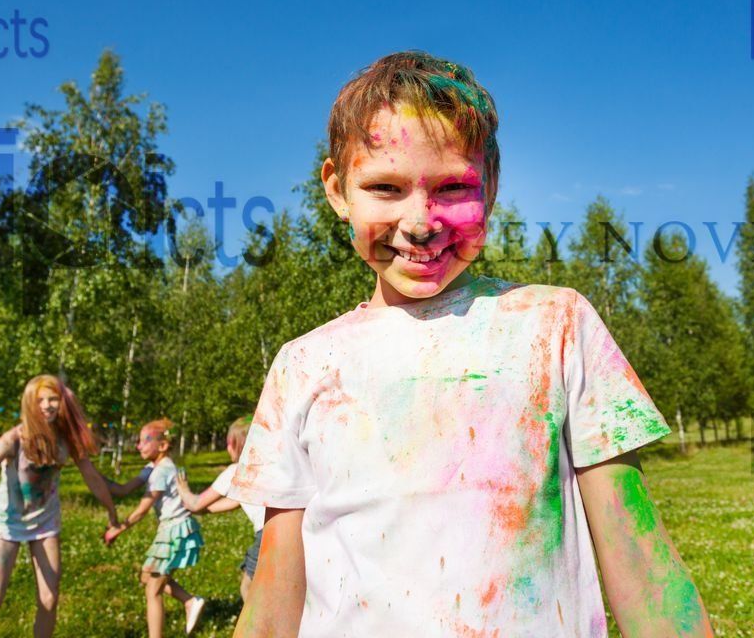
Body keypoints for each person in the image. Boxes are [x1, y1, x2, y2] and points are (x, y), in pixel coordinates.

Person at [226, 51, 715, 637]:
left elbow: (642, 562)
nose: (420, 222)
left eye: (453, 187)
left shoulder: (556, 325)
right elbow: (273, 598)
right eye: (385, 187)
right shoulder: (302, 365)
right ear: (337, 190)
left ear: (492, 185)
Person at [0, 374, 121, 638]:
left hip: (45, 525)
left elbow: (93, 478)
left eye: (53, 399)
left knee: (49, 599)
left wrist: (112, 513)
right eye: (40, 400)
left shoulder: (67, 440)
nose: (47, 406)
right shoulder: (12, 440)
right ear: (29, 404)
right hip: (6, 525)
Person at [104, 418, 206, 637]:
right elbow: (123, 489)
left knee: (153, 589)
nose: (138, 446)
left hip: (175, 531)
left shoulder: (163, 470)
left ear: (162, 446)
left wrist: (117, 529)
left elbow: (142, 509)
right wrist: (93, 476)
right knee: (147, 577)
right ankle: (190, 601)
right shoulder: (153, 467)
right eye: (139, 441)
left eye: (145, 441)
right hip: (170, 529)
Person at [175, 416, 266, 603]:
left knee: (248, 588)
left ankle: (258, 623)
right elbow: (234, 502)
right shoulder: (267, 468)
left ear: (237, 445)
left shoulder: (237, 470)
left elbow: (195, 502)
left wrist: (183, 489)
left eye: (228, 443)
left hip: (266, 535)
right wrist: (202, 510)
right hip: (289, 529)